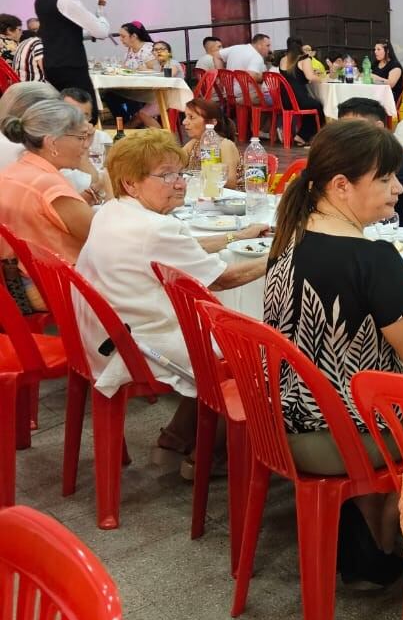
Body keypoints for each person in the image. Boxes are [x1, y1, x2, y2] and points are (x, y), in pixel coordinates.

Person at [266, 119, 403, 584]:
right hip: (336, 431)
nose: (400, 188)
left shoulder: (290, 236)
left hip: (283, 416)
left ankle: (368, 517)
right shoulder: (373, 259)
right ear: (342, 186)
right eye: (385, 178)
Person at [76, 130, 267, 472]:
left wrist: (236, 235)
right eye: (166, 176)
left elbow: (179, 254)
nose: (179, 183)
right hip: (137, 345)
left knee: (221, 333)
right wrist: (286, 253)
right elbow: (223, 279)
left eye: (180, 173)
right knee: (254, 348)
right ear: (131, 183)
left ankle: (177, 438)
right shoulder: (155, 229)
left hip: (103, 334)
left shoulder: (112, 211)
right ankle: (211, 456)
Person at [0, 99, 95, 313]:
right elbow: (99, 237)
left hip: (16, 282)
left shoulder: (13, 172)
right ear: (52, 142)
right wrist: (106, 184)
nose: (86, 145)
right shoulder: (46, 184)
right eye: (81, 137)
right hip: (49, 287)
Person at [34, 0, 111, 123]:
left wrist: (84, 33)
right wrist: (102, 16)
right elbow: (101, 32)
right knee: (87, 116)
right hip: (71, 66)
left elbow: (59, 32)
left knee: (65, 117)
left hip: (52, 65)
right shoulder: (66, 0)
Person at [338, 96, 403, 225]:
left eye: (355, 129)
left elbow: (354, 207)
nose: (346, 136)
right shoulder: (363, 157)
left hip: (402, 235)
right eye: (342, 129)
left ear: (379, 127)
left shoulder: (392, 161)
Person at [58, 87, 114, 202]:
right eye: (73, 115)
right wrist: (83, 148)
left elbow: (111, 175)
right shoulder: (54, 142)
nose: (79, 121)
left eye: (84, 116)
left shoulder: (102, 138)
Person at [275, 37, 324, 144]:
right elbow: (310, 77)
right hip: (299, 99)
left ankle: (302, 136)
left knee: (312, 104)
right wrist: (322, 78)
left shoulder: (283, 59)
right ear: (301, 46)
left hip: (285, 101)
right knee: (318, 105)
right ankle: (308, 136)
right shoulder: (304, 59)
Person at [180, 99, 241, 184]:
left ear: (212, 122)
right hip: (206, 194)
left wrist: (198, 179)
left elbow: (230, 181)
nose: (184, 122)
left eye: (191, 117)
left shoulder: (225, 145)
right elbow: (175, 164)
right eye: (185, 117)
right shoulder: (194, 144)